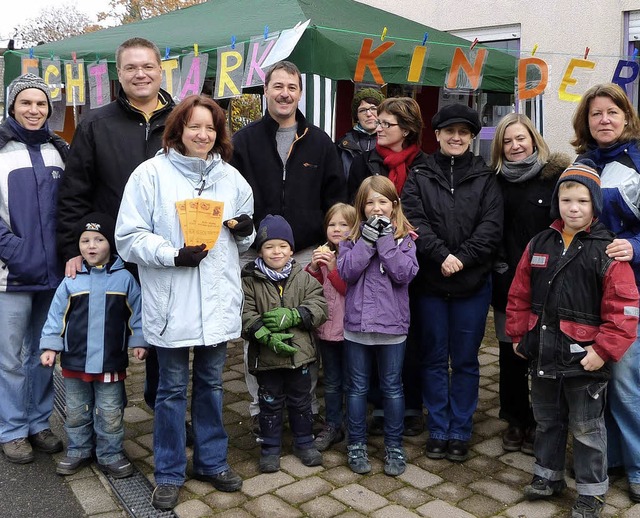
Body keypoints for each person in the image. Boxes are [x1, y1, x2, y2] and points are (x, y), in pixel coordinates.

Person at [115, 95, 254, 510]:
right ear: (177, 129)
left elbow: (243, 239)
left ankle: (211, 461)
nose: (203, 134)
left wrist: (247, 230)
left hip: (215, 300)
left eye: (210, 128)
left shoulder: (231, 178)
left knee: (211, 385)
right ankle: (170, 471)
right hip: (172, 300)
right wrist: (172, 253)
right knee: (172, 390)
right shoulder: (150, 175)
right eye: (195, 126)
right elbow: (128, 236)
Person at [506, 162, 639, 518]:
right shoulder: (540, 243)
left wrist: (604, 350)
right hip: (544, 353)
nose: (574, 207)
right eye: (566, 199)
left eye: (582, 200)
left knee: (586, 427)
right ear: (557, 202)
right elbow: (518, 293)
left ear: (595, 205)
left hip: (585, 359)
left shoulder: (607, 250)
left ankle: (592, 491)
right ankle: (547, 476)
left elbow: (624, 309)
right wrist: (519, 334)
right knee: (547, 419)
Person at [56, 37, 174, 412]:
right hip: (112, 255)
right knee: (107, 335)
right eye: (131, 67)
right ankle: (108, 416)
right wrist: (73, 250)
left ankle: (162, 406)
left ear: (160, 69)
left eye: (147, 66)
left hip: (164, 251)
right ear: (118, 74)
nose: (140, 74)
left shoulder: (182, 122)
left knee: (164, 337)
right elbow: (74, 193)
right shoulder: (95, 124)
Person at [231, 60, 346, 428]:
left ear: (300, 93)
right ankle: (260, 409)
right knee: (257, 327)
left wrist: (331, 244)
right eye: (277, 86)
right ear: (265, 91)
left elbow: (336, 198)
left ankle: (304, 408)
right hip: (255, 251)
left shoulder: (319, 141)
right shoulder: (244, 140)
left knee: (305, 327)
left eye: (291, 88)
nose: (284, 94)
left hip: (305, 251)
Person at [402, 103, 503, 462]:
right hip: (430, 281)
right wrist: (441, 254)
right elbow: (413, 219)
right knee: (431, 358)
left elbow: (491, 226)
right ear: (439, 135)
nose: (456, 137)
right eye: (450, 131)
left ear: (472, 137)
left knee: (464, 360)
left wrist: (462, 257)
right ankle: (439, 427)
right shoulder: (420, 173)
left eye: (463, 132)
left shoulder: (485, 175)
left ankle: (460, 428)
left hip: (472, 283)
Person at [571, 83, 640, 503]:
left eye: (612, 112)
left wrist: (635, 247)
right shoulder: (581, 163)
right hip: (585, 291)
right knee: (595, 379)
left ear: (626, 117)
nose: (604, 120)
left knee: (627, 380)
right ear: (586, 121)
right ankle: (609, 459)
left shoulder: (638, 162)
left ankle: (636, 466)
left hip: (630, 289)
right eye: (596, 114)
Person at [40, 213, 147, 478]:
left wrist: (138, 340)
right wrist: (51, 346)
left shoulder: (124, 279)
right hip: (75, 360)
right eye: (85, 240)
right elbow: (56, 316)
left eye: (99, 239)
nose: (91, 246)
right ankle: (78, 450)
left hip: (110, 360)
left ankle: (110, 453)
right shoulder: (71, 280)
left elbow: (138, 313)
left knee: (110, 411)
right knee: (76, 410)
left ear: (110, 243)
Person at [490, 113, 572, 454]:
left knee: (543, 353)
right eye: (507, 141)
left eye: (520, 138)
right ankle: (516, 419)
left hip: (546, 283)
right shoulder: (493, 182)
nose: (514, 146)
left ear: (534, 140)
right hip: (506, 281)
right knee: (510, 354)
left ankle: (543, 421)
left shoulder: (554, 180)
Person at [347, 96, 427, 436]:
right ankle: (375, 408)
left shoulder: (422, 166)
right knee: (368, 336)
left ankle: (407, 408)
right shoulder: (365, 162)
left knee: (406, 337)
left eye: (385, 123)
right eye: (376, 121)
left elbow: (425, 211)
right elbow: (351, 208)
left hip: (405, 256)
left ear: (406, 130)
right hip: (366, 266)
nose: (377, 127)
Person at [0, 73, 68, 464]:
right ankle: (11, 429)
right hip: (11, 274)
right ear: (12, 106)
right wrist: (16, 250)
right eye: (26, 102)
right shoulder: (1, 150)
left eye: (41, 103)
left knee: (42, 352)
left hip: (52, 274)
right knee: (9, 357)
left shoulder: (59, 150)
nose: (34, 110)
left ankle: (38, 422)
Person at [338, 175, 419, 477]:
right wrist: (368, 241)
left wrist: (384, 241)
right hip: (357, 327)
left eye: (382, 201)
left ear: (394, 205)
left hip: (392, 328)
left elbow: (404, 274)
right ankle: (356, 443)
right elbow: (347, 271)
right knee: (356, 388)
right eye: (369, 202)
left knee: (392, 388)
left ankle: (394, 444)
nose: (376, 207)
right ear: (361, 207)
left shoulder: (406, 240)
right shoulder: (350, 240)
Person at [242, 215, 328, 473]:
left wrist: (296, 315)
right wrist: (262, 333)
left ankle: (304, 442)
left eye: (282, 246)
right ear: (260, 251)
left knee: (301, 401)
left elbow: (320, 305)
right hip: (267, 359)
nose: (276, 252)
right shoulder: (250, 282)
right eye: (269, 247)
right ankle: (270, 447)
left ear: (292, 249)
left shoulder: (304, 279)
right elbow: (244, 313)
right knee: (269, 401)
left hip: (300, 357)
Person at [305, 202, 357, 451]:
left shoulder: (355, 254)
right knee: (333, 380)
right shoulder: (324, 252)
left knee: (353, 380)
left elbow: (348, 287)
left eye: (343, 225)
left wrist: (334, 268)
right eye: (332, 224)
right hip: (327, 329)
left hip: (351, 329)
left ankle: (353, 424)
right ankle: (332, 424)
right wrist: (314, 268)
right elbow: (310, 287)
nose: (336, 229)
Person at [348, 96, 425, 200]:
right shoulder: (362, 162)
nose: (378, 129)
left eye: (386, 124)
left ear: (406, 130)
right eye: (379, 122)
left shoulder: (426, 166)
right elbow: (354, 206)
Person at [336, 87, 385, 178]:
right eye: (362, 110)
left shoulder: (391, 143)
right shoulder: (341, 145)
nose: (369, 114)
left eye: (373, 108)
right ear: (356, 116)